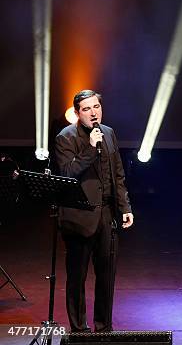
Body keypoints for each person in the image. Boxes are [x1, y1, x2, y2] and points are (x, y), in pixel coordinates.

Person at [55, 90, 134, 332]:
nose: (93, 112)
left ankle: (103, 328)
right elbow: (67, 173)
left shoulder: (108, 133)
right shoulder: (65, 137)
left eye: (96, 107)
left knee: (106, 276)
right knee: (77, 277)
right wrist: (89, 149)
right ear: (77, 113)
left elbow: (117, 174)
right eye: (87, 109)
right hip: (79, 216)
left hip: (107, 216)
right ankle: (79, 329)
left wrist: (124, 206)